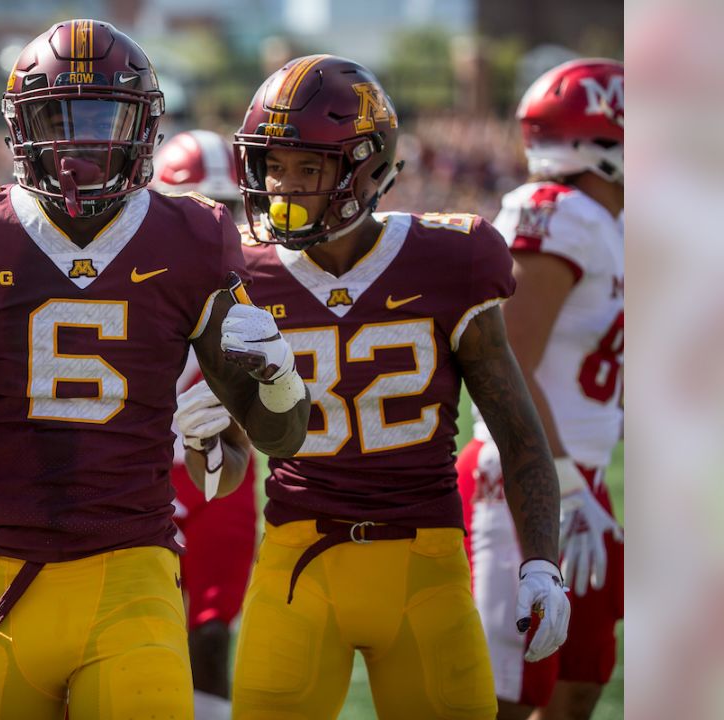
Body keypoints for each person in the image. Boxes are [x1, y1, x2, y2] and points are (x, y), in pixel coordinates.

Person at [0, 19, 310, 720]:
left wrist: (281, 383)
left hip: (131, 569)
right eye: (60, 116)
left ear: (142, 125)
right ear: (22, 127)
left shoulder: (192, 233)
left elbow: (281, 438)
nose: (83, 140)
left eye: (104, 115)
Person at [206, 55, 568, 719]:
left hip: (424, 557)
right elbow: (232, 464)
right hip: (297, 557)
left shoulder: (451, 258)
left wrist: (541, 560)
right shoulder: (244, 271)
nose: (283, 185)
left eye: (307, 167)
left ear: (366, 170)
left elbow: (515, 427)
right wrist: (209, 448)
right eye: (273, 164)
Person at [455, 58, 624, 720]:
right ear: (606, 144)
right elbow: (512, 362)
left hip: (580, 476)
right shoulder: (559, 214)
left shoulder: (608, 223)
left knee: (581, 677)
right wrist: (564, 478)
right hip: (524, 476)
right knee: (504, 692)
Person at [153, 130, 258, 702]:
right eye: (201, 205)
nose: (220, 221)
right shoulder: (126, 278)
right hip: (136, 477)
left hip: (222, 473)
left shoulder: (261, 279)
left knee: (213, 634)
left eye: (232, 206)